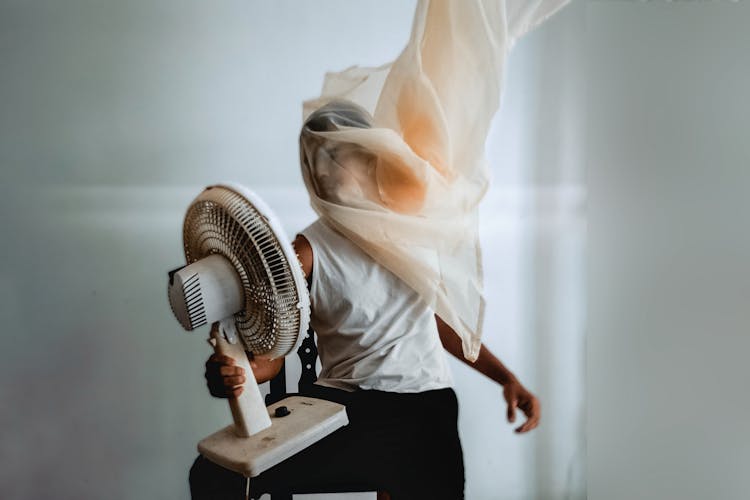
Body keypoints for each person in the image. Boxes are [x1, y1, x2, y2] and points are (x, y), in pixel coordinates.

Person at [189, 102, 540, 500]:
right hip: (344, 407)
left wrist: (507, 380)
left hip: (425, 406)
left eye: (335, 155)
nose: (322, 170)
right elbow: (269, 358)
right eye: (314, 160)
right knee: (215, 476)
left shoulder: (414, 227)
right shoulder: (305, 251)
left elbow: (442, 323)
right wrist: (236, 374)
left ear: (368, 154)